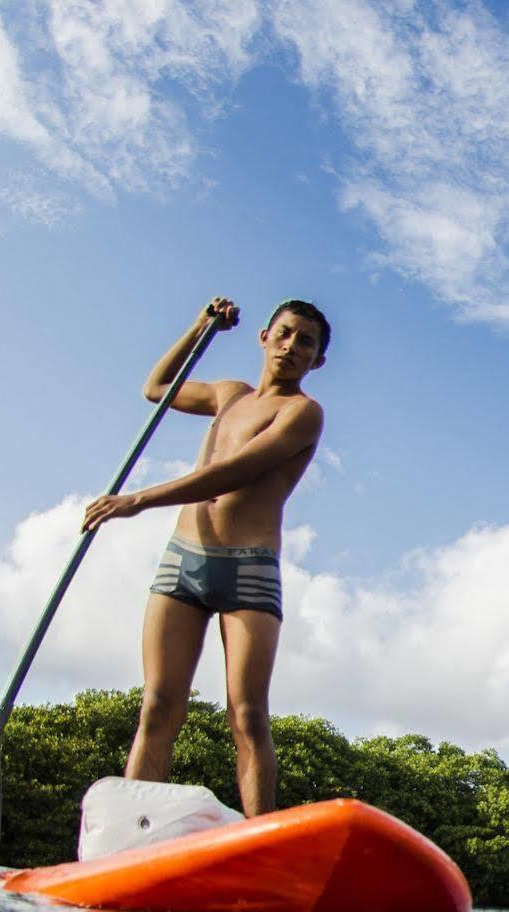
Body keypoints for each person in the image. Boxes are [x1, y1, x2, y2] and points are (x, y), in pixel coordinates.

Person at [82, 296, 329, 817]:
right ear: (263, 337)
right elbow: (156, 388)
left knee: (247, 715)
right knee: (158, 706)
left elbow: (235, 471)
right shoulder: (227, 395)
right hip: (183, 561)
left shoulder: (303, 413)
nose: (290, 346)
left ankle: (260, 845)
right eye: (283, 333)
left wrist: (139, 499)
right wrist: (201, 327)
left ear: (317, 361)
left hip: (249, 571)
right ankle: (130, 832)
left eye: (305, 342)